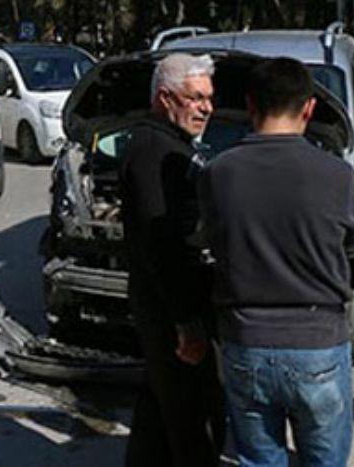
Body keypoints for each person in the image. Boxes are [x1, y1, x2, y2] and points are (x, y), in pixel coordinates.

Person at [199, 58, 354, 466]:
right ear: (308, 108)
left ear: (250, 104)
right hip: (318, 342)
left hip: (246, 340)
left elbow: (209, 243)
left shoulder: (217, 172)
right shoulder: (336, 174)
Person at [120, 53, 224, 467]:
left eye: (209, 98)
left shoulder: (171, 145)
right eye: (196, 98)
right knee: (192, 425)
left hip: (169, 306)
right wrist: (185, 321)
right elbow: (159, 243)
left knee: (160, 416)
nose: (206, 108)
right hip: (170, 311)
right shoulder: (153, 150)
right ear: (166, 99)